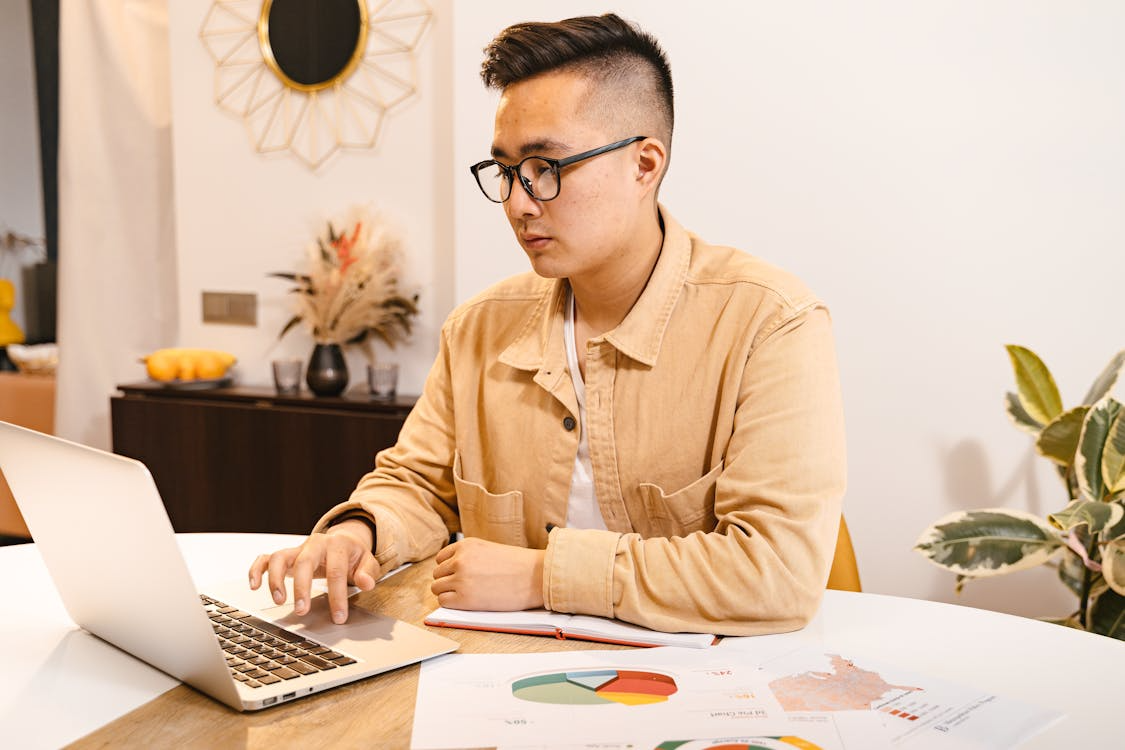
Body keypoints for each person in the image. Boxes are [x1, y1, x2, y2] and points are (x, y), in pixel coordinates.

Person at [249, 13, 846, 636]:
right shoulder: (479, 328)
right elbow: (417, 484)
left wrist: (541, 577)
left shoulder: (771, 323)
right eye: (507, 170)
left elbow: (776, 573)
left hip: (703, 679)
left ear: (644, 165)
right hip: (497, 671)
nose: (518, 202)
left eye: (546, 167)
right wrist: (357, 532)